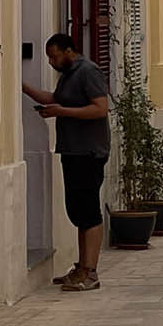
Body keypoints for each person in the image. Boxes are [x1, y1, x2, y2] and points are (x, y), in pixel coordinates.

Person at [22, 33, 111, 292]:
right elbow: (53, 99)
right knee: (78, 210)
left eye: (54, 56)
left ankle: (91, 271)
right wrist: (23, 87)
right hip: (72, 151)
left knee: (89, 211)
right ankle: (82, 267)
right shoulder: (69, 75)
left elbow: (100, 108)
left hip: (89, 152)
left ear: (69, 51)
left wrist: (62, 112)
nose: (51, 62)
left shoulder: (88, 72)